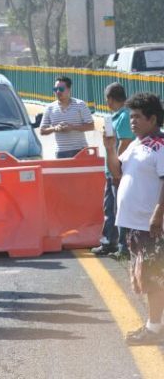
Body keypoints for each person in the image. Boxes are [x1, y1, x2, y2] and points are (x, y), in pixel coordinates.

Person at [105, 93, 164, 345]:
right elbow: (117, 172)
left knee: (153, 278)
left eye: (138, 117)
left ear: (152, 119)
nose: (132, 122)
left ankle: (153, 329)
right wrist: (109, 146)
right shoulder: (136, 145)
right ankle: (156, 324)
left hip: (151, 226)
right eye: (130, 117)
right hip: (136, 225)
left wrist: (157, 215)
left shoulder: (160, 146)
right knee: (147, 277)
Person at [94, 82, 135, 258]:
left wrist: (116, 170)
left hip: (117, 171)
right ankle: (109, 242)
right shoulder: (117, 116)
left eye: (107, 99)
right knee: (110, 208)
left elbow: (124, 144)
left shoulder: (125, 116)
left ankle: (123, 248)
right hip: (112, 171)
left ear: (110, 99)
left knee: (119, 210)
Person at [39, 76, 95, 158]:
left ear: (69, 90)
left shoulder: (80, 105)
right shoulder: (50, 108)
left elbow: (91, 126)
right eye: (55, 89)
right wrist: (55, 128)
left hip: (80, 151)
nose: (58, 92)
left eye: (61, 89)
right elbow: (42, 130)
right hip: (61, 152)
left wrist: (72, 127)